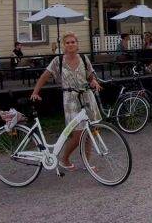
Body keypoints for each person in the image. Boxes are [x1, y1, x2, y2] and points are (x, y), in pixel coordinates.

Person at [30, 32, 102, 171]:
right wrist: (35, 92)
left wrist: (93, 81)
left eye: (73, 42)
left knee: (88, 132)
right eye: (67, 42)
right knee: (78, 134)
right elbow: (45, 76)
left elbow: (90, 76)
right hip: (70, 100)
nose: (70, 44)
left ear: (77, 44)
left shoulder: (83, 58)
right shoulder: (58, 61)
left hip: (87, 97)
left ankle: (88, 164)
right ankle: (64, 159)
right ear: (64, 45)